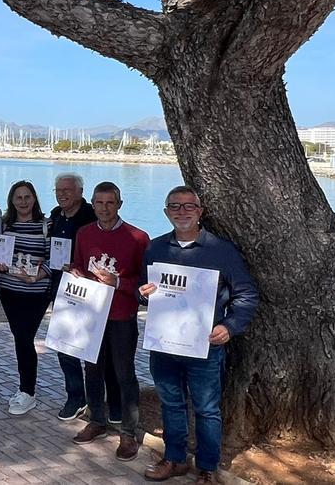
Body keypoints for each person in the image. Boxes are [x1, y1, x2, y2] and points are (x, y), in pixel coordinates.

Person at [140, 186, 259, 484]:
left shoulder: (221, 250)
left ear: (200, 211)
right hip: (165, 344)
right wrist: (143, 295)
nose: (182, 211)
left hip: (204, 345)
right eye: (175, 206)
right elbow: (146, 291)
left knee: (206, 409)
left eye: (189, 206)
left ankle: (207, 467)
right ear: (166, 212)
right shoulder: (155, 249)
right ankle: (175, 459)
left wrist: (229, 327)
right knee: (171, 403)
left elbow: (246, 295)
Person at [69, 181, 149, 461]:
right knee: (92, 368)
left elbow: (145, 281)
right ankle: (98, 419)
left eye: (110, 203)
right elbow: (78, 263)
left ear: (119, 204)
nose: (104, 208)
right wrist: (75, 273)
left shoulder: (138, 237)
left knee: (124, 374)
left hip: (121, 315)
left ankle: (128, 432)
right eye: (99, 203)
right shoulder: (84, 233)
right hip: (92, 313)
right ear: (92, 204)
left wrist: (118, 282)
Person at [0, 180, 53, 415]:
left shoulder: (46, 225)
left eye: (27, 197)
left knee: (25, 337)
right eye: (18, 197)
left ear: (34, 199)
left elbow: (55, 259)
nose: (23, 202)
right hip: (9, 290)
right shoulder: (6, 224)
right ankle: (26, 389)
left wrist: (37, 277)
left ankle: (27, 390)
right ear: (12, 200)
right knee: (20, 337)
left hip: (36, 292)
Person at [48, 172, 103, 421]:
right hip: (62, 290)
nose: (62, 194)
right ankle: (75, 396)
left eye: (67, 190)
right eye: (58, 190)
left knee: (92, 349)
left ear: (81, 192)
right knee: (65, 347)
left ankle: (97, 401)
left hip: (90, 290)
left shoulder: (93, 217)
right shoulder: (56, 215)